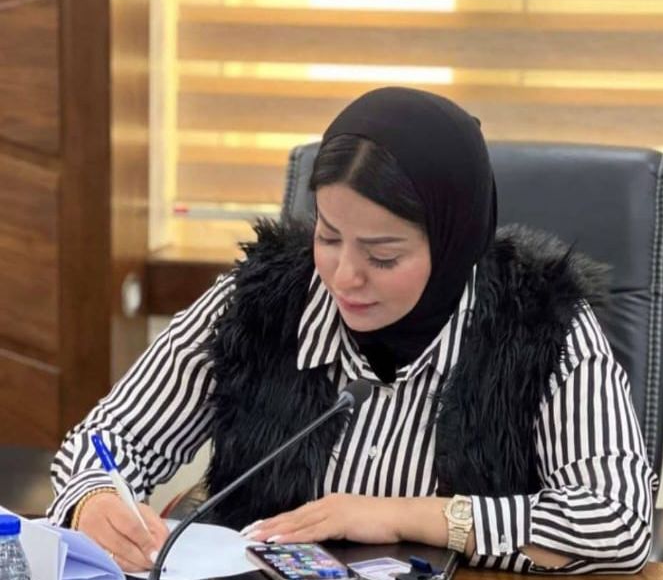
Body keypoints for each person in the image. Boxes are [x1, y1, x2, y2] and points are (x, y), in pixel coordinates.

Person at [48, 87, 656, 574]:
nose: (344, 276)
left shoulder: (544, 326)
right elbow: (107, 439)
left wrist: (404, 516)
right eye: (329, 236)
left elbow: (620, 522)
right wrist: (95, 498)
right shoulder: (258, 300)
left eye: (383, 256)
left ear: (455, 245)